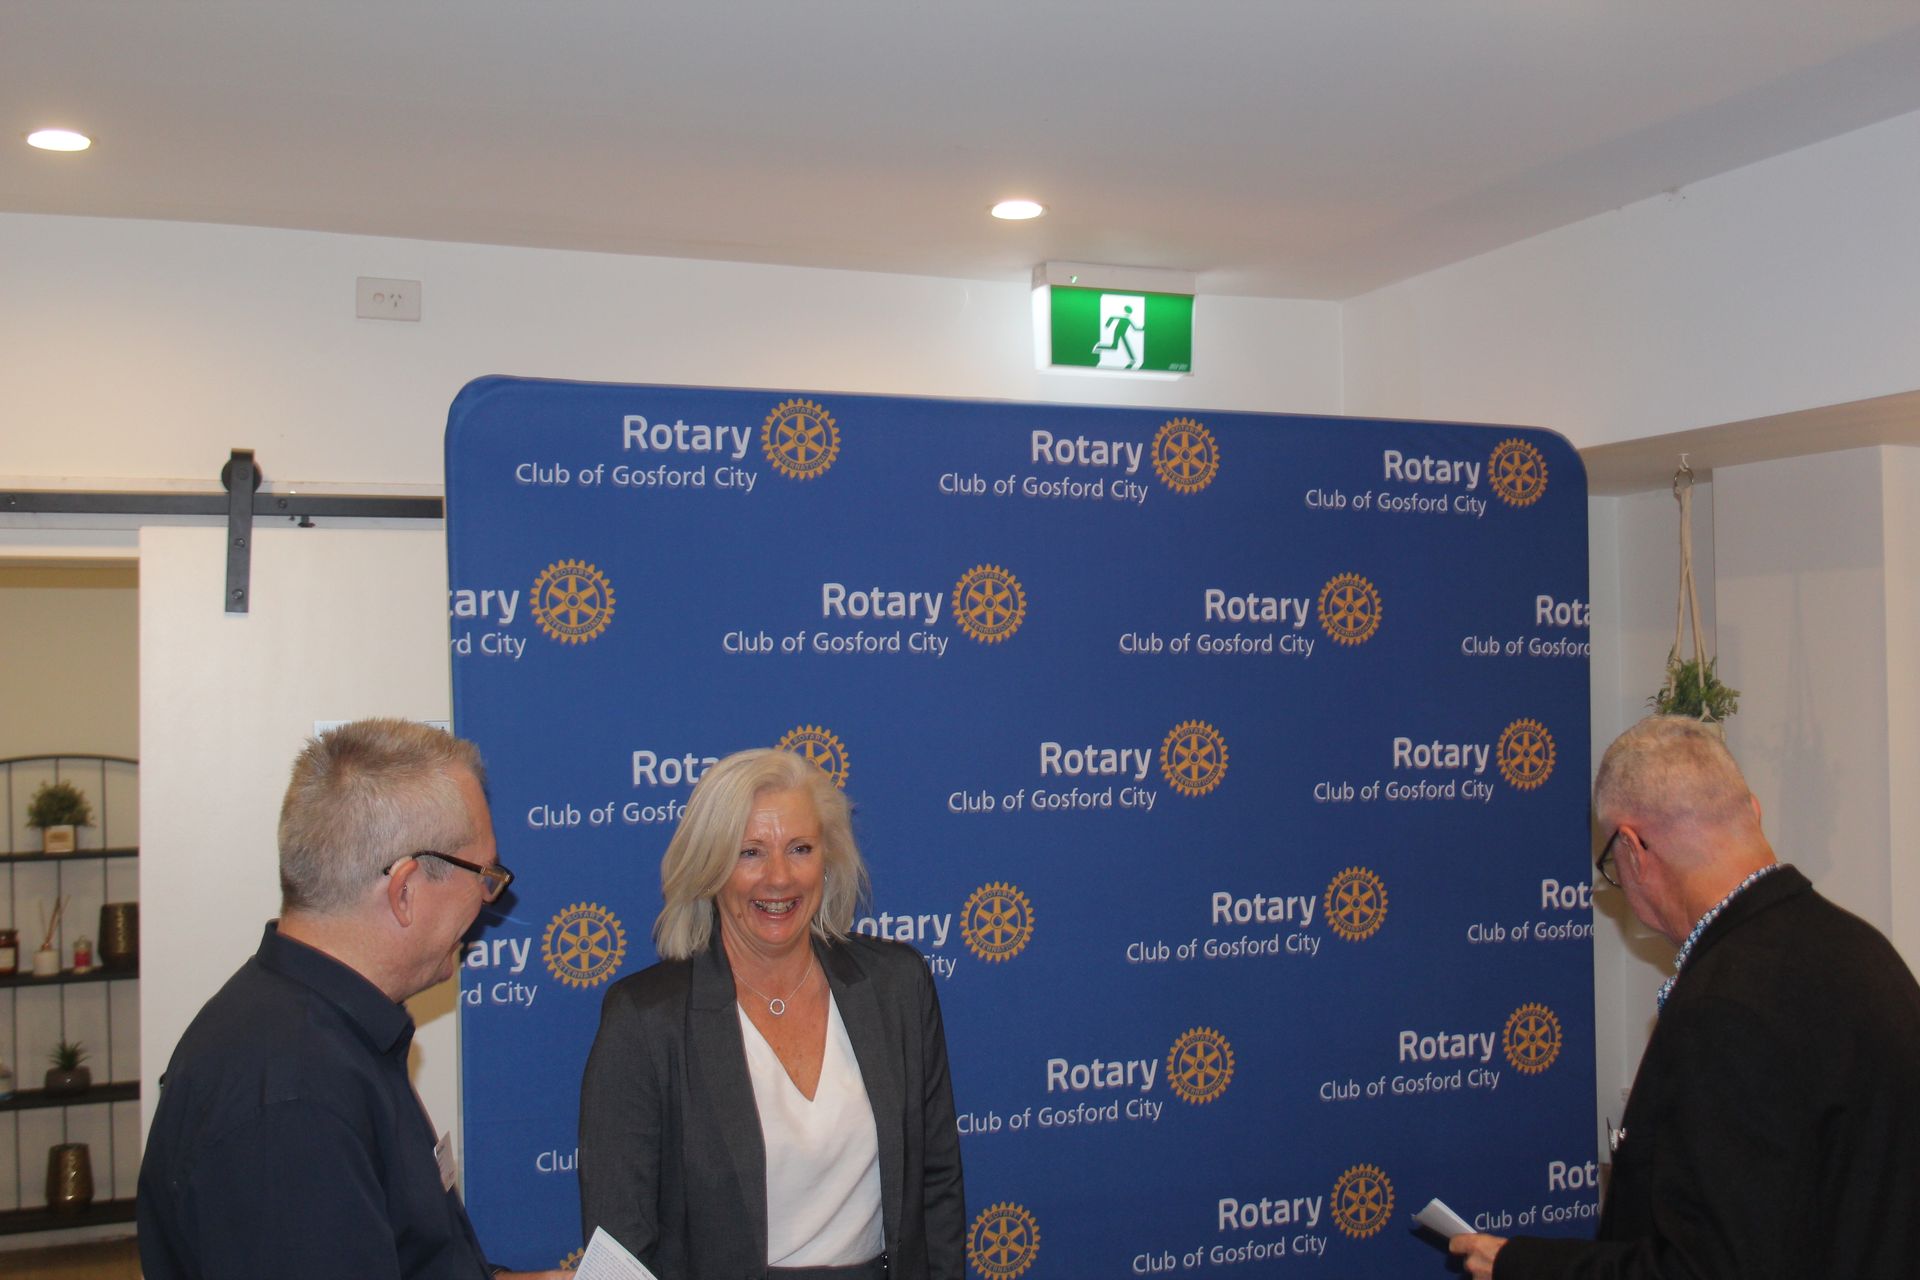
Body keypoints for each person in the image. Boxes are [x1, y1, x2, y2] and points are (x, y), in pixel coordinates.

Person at [1450, 716, 1920, 1279]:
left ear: (1632, 848)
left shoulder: (1726, 1006)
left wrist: (1522, 1265)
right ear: (1753, 811)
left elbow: (1713, 1268)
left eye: (1611, 866)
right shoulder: (1864, 950)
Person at [138, 719, 566, 1280]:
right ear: (405, 889)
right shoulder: (293, 1106)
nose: (489, 901)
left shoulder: (321, 1035)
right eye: (485, 876)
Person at [579, 748, 965, 1280]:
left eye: (800, 848)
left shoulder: (897, 985)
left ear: (828, 861)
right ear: (709, 867)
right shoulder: (646, 1019)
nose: (779, 879)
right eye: (750, 852)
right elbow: (621, 1245)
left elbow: (937, 1185)